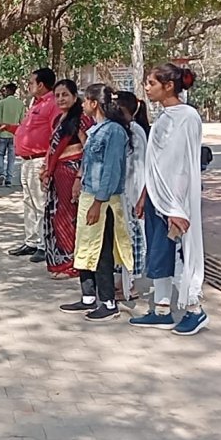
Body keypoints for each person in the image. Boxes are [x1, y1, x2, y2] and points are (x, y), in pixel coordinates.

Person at [129, 64, 208, 336]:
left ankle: (195, 309)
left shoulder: (187, 117)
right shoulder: (164, 117)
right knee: (159, 253)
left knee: (177, 255)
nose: (147, 88)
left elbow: (183, 165)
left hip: (174, 201)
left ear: (169, 85)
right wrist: (144, 195)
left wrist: (177, 206)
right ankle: (162, 310)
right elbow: (156, 163)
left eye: (151, 83)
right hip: (156, 197)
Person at [59, 84, 135, 322]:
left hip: (104, 199)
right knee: (84, 245)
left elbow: (111, 170)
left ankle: (109, 301)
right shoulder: (96, 129)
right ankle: (88, 296)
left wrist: (98, 202)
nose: (82, 105)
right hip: (89, 195)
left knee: (102, 249)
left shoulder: (113, 131)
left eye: (85, 101)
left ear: (94, 103)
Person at [40, 80, 93, 280]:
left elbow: (89, 149)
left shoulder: (81, 119)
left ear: (74, 96)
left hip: (72, 173)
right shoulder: (58, 120)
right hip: (58, 173)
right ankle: (60, 261)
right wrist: (46, 170)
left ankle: (73, 264)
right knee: (57, 216)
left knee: (69, 217)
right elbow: (51, 149)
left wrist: (80, 176)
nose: (61, 99)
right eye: (58, 95)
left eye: (65, 95)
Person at [9, 68, 61, 263]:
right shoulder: (35, 104)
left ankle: (43, 244)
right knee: (29, 202)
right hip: (27, 160)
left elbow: (55, 135)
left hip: (39, 159)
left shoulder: (52, 104)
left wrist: (47, 164)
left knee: (41, 203)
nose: (29, 85)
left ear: (41, 84)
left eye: (31, 82)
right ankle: (31, 240)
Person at [114, 92, 149, 302]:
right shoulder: (121, 130)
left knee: (134, 238)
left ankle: (131, 284)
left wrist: (141, 196)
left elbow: (141, 165)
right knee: (122, 237)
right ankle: (122, 282)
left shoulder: (135, 131)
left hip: (133, 191)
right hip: (122, 192)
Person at [0, 83, 25, 187]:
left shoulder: (2, 103)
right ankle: (9, 179)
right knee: (11, 157)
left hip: (3, 133)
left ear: (7, 90)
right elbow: (22, 121)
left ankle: (1, 173)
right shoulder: (20, 104)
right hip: (14, 135)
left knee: (0, 155)